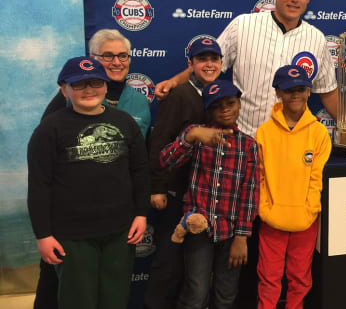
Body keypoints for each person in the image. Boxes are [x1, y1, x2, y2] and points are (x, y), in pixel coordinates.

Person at [33, 29, 151, 309]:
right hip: (72, 234)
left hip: (119, 230)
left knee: (114, 298)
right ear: (65, 89)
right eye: (80, 84)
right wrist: (43, 234)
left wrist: (141, 213)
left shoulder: (126, 120)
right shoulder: (50, 127)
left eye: (95, 83)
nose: (88, 90)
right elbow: (40, 184)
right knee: (77, 299)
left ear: (105, 86)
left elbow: (140, 170)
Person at [154, 0, 338, 137]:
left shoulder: (317, 39)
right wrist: (173, 82)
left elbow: (328, 92)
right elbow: (207, 67)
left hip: (290, 142)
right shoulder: (243, 26)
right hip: (244, 138)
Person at [159, 80, 259, 309]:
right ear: (208, 110)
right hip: (198, 228)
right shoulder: (196, 135)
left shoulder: (248, 145)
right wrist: (191, 136)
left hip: (231, 232)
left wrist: (242, 237)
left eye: (230, 103)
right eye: (217, 105)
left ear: (239, 105)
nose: (224, 109)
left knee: (226, 293)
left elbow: (250, 193)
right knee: (196, 291)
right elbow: (166, 161)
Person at [144, 37, 224, 309]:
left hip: (203, 195)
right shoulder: (179, 95)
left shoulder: (219, 96)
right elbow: (159, 141)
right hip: (176, 193)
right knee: (169, 262)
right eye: (203, 59)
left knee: (194, 269)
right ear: (191, 65)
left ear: (222, 63)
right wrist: (157, 187)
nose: (209, 64)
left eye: (214, 59)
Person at [255, 65, 332, 309]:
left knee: (300, 276)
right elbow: (260, 176)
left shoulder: (319, 132)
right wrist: (265, 209)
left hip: (305, 220)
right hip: (271, 219)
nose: (295, 95)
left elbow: (316, 178)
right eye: (289, 90)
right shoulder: (264, 132)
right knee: (269, 276)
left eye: (301, 89)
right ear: (278, 93)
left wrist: (309, 210)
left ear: (309, 92)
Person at [41, 29, 151, 136]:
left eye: (123, 56)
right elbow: (46, 137)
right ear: (93, 59)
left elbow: (144, 148)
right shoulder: (71, 95)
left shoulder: (140, 101)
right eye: (108, 56)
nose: (117, 63)